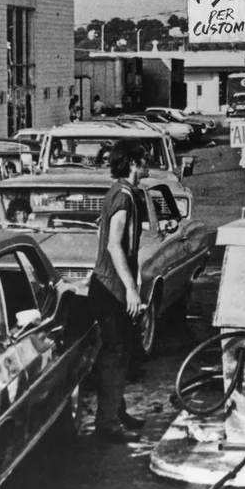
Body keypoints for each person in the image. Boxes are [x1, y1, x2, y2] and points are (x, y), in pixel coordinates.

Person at [88, 139, 149, 443]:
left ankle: (116, 412)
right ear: (134, 163)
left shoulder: (120, 192)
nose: (148, 165)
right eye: (144, 159)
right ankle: (107, 424)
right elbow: (114, 245)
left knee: (120, 354)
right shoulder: (124, 198)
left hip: (109, 287)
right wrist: (131, 290)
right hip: (110, 289)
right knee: (114, 356)